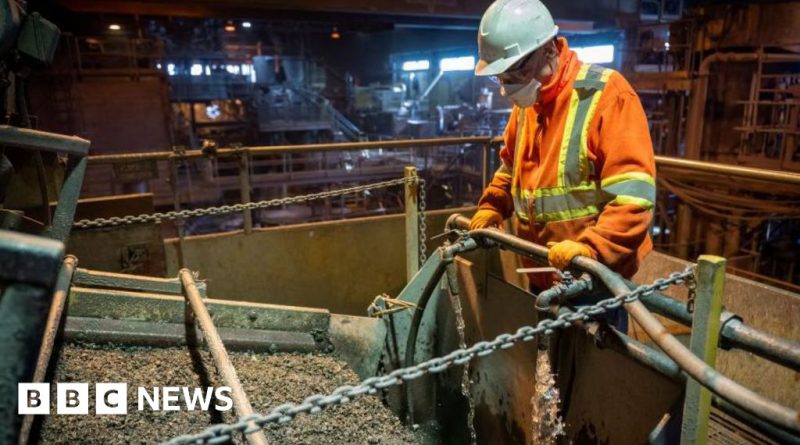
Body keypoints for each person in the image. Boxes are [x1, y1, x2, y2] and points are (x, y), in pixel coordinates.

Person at [470, 0, 656, 292]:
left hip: (595, 280)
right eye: (500, 77)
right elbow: (511, 168)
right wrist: (494, 205)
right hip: (543, 274)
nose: (507, 87)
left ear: (548, 50)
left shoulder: (606, 95)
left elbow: (635, 199)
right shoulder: (529, 102)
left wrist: (591, 249)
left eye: (515, 72)